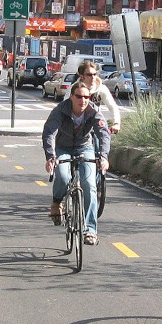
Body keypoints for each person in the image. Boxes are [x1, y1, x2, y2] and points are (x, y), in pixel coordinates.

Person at [42, 81, 111, 246]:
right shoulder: (60, 110)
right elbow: (49, 133)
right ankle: (57, 202)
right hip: (63, 147)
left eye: (86, 97)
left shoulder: (93, 111)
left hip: (84, 147)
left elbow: (103, 134)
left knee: (89, 184)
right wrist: (51, 157)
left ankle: (91, 230)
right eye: (79, 96)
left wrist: (103, 157)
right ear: (72, 96)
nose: (83, 100)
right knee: (63, 176)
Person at [65, 61, 121, 134]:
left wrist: (116, 123)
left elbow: (112, 106)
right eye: (89, 75)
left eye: (95, 74)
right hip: (77, 126)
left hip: (94, 125)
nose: (93, 77)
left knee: (101, 141)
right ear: (81, 76)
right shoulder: (74, 89)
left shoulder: (101, 88)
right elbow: (64, 106)